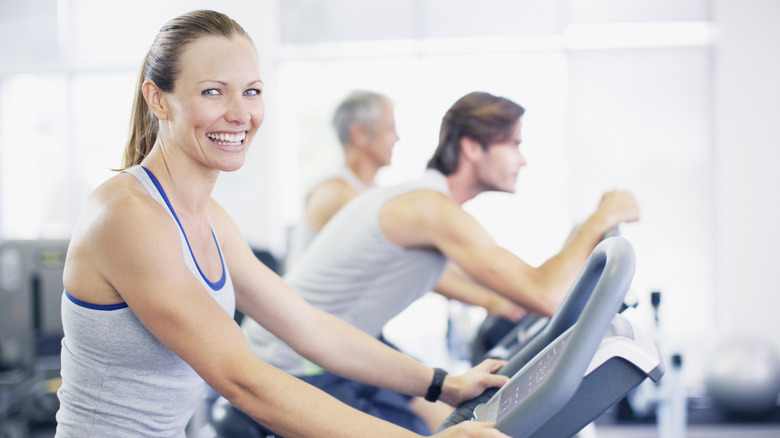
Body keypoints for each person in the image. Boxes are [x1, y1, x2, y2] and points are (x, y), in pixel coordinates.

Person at [53, 10, 510, 438]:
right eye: (213, 91)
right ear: (159, 99)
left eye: (251, 91)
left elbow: (311, 328)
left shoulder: (210, 218)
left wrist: (442, 384)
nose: (240, 113)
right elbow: (242, 380)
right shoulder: (126, 216)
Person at [241, 91, 641, 432]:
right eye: (514, 144)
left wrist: (501, 299)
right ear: (472, 148)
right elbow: (547, 293)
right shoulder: (429, 209)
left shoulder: (426, 204)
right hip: (294, 363)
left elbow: (510, 280)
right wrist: (603, 216)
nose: (523, 160)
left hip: (337, 351)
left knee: (456, 421)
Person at [284, 90, 399, 271]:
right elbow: (401, 243)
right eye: (390, 128)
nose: (397, 138)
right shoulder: (333, 193)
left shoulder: (374, 192)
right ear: (360, 133)